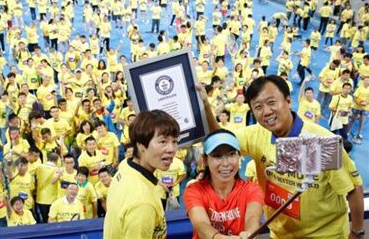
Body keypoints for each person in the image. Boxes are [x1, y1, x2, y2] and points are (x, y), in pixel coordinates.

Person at [202, 76, 364, 238]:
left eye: (272, 102)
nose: (266, 112)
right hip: (280, 234)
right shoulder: (255, 134)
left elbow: (353, 188)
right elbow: (220, 140)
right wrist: (205, 106)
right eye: (258, 107)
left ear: (288, 101)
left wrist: (357, 232)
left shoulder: (320, 141)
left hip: (325, 234)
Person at [104, 110, 180, 239]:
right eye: (163, 142)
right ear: (141, 145)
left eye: (174, 141)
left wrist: (156, 182)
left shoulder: (126, 166)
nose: (171, 149)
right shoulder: (142, 204)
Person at [184, 129, 264, 239]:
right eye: (217, 156)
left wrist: (250, 233)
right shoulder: (194, 190)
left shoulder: (252, 189)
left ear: (239, 157)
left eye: (231, 154)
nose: (226, 163)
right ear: (205, 160)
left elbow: (253, 218)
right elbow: (201, 225)